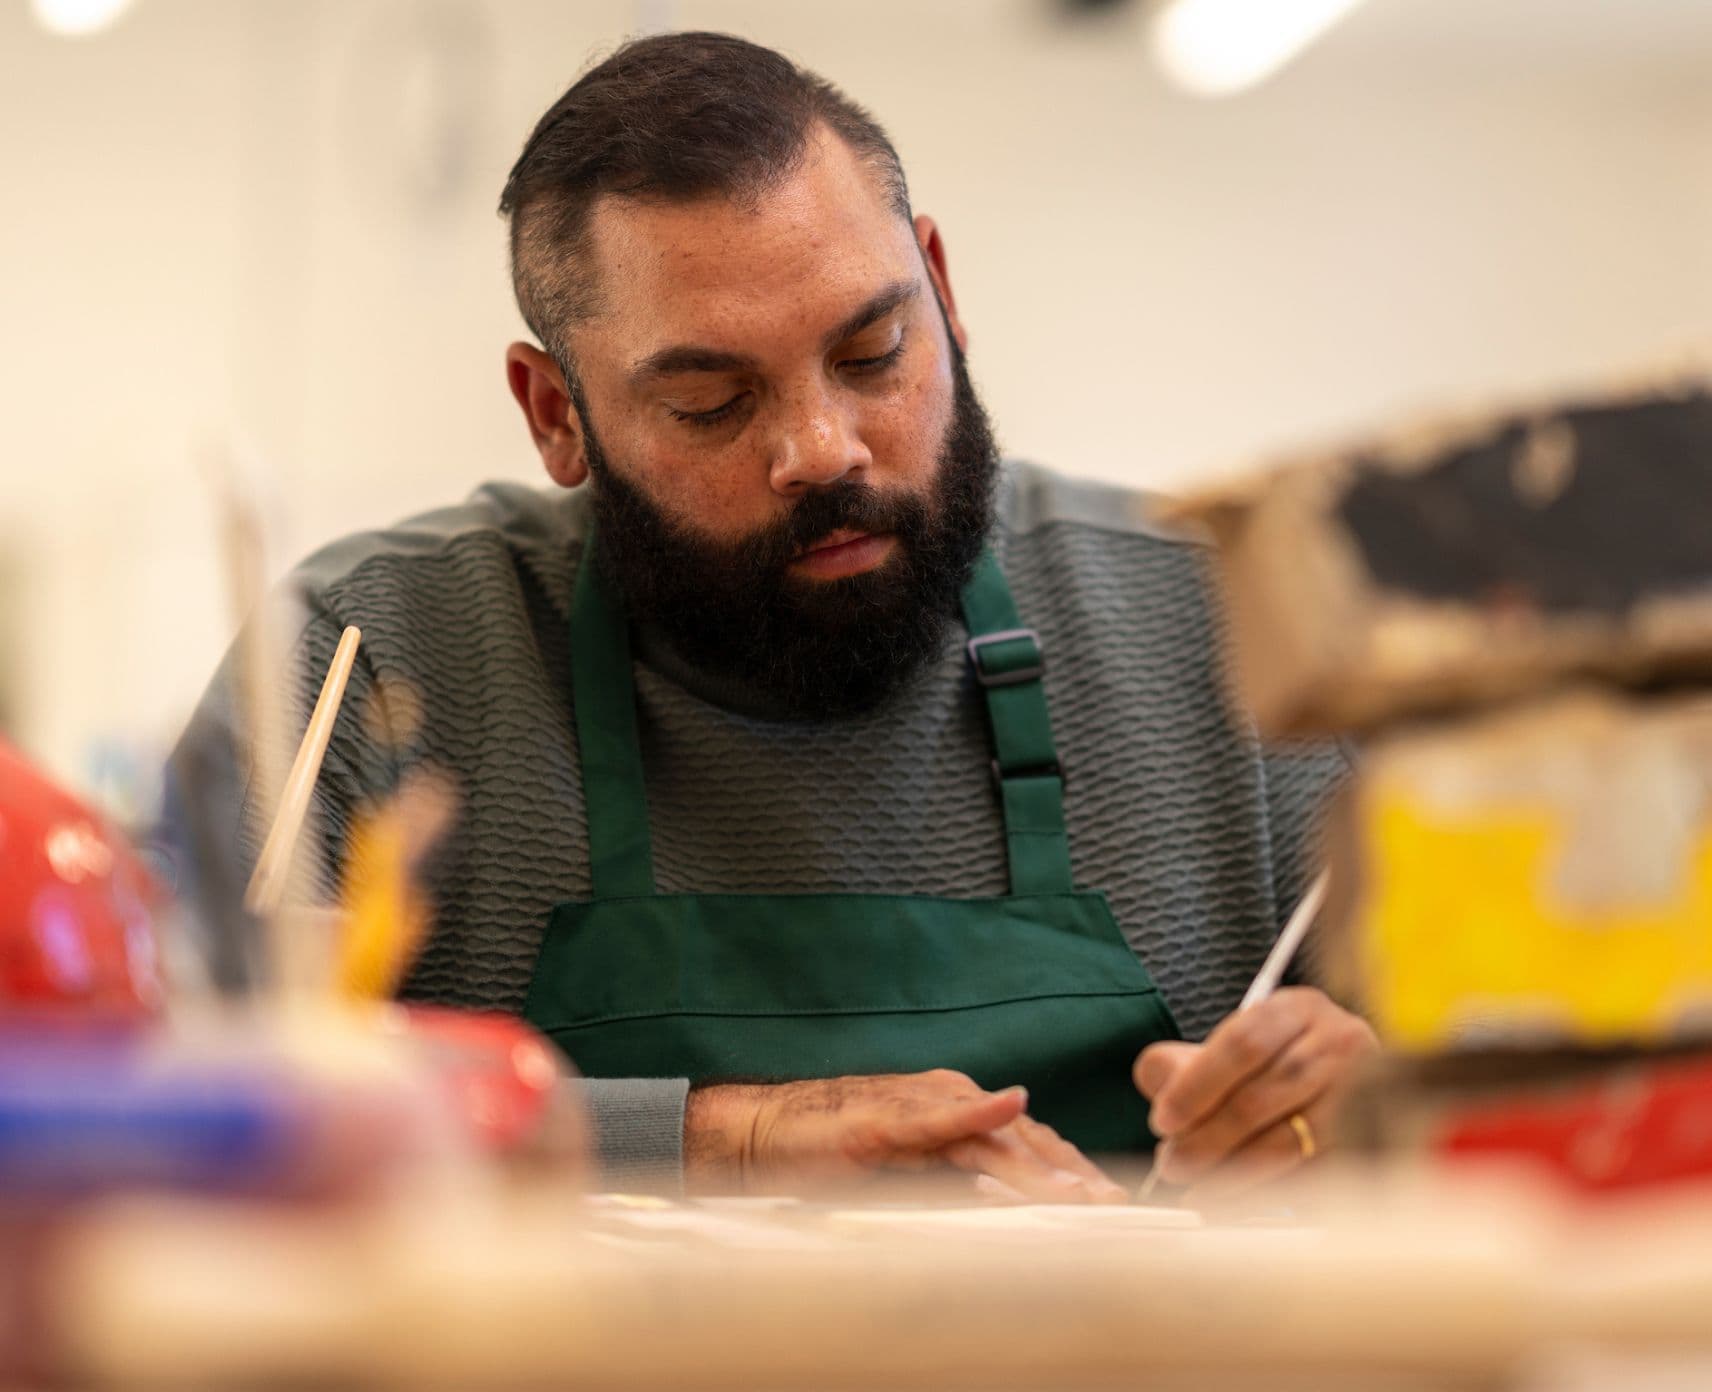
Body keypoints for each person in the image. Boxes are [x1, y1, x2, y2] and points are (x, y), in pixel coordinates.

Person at [174, 31, 1373, 1201]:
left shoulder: (1229, 630)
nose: (821, 450)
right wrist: (712, 1141)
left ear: (944, 296)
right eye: (709, 401)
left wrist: (1379, 1116)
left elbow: (1506, 1094)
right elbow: (150, 1093)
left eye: (872, 352)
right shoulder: (358, 661)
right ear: (556, 415)